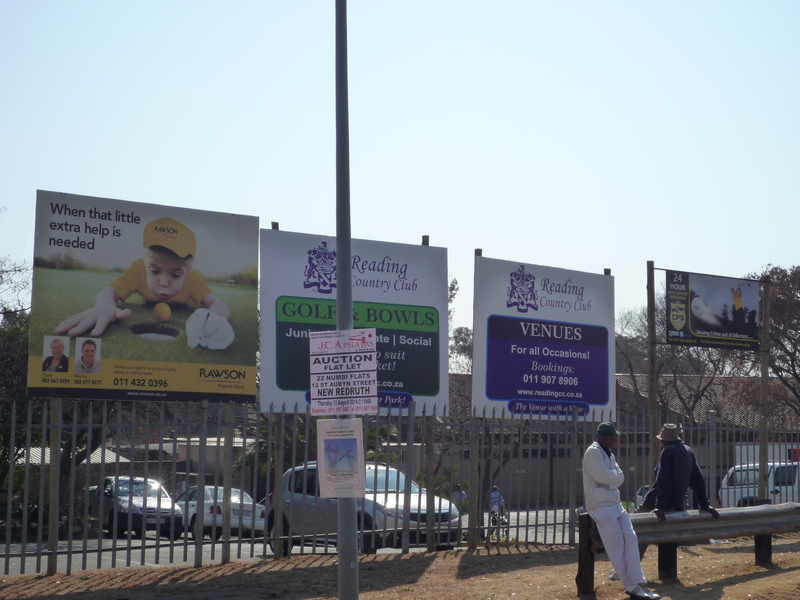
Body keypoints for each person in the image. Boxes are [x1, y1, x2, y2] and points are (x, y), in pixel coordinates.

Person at [55, 217, 232, 342]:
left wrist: (214, 319)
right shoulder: (138, 269)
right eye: (154, 271)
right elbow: (109, 292)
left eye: (176, 274)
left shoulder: (193, 279)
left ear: (188, 271)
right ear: (145, 262)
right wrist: (105, 305)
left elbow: (217, 304)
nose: (163, 283)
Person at [582, 422, 660, 600]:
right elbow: (603, 476)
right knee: (616, 546)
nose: (616, 440)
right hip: (600, 506)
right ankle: (631, 586)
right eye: (614, 437)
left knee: (631, 538)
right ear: (609, 437)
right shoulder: (593, 453)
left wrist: (610, 481)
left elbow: (620, 477)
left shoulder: (608, 454)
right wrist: (612, 479)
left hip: (615, 504)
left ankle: (639, 582)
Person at [638, 423, 720, 521]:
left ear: (664, 440)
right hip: (677, 505)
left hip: (655, 505)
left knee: (633, 525)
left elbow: (663, 480)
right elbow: (698, 481)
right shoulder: (688, 451)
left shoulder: (667, 451)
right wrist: (705, 504)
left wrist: (659, 506)